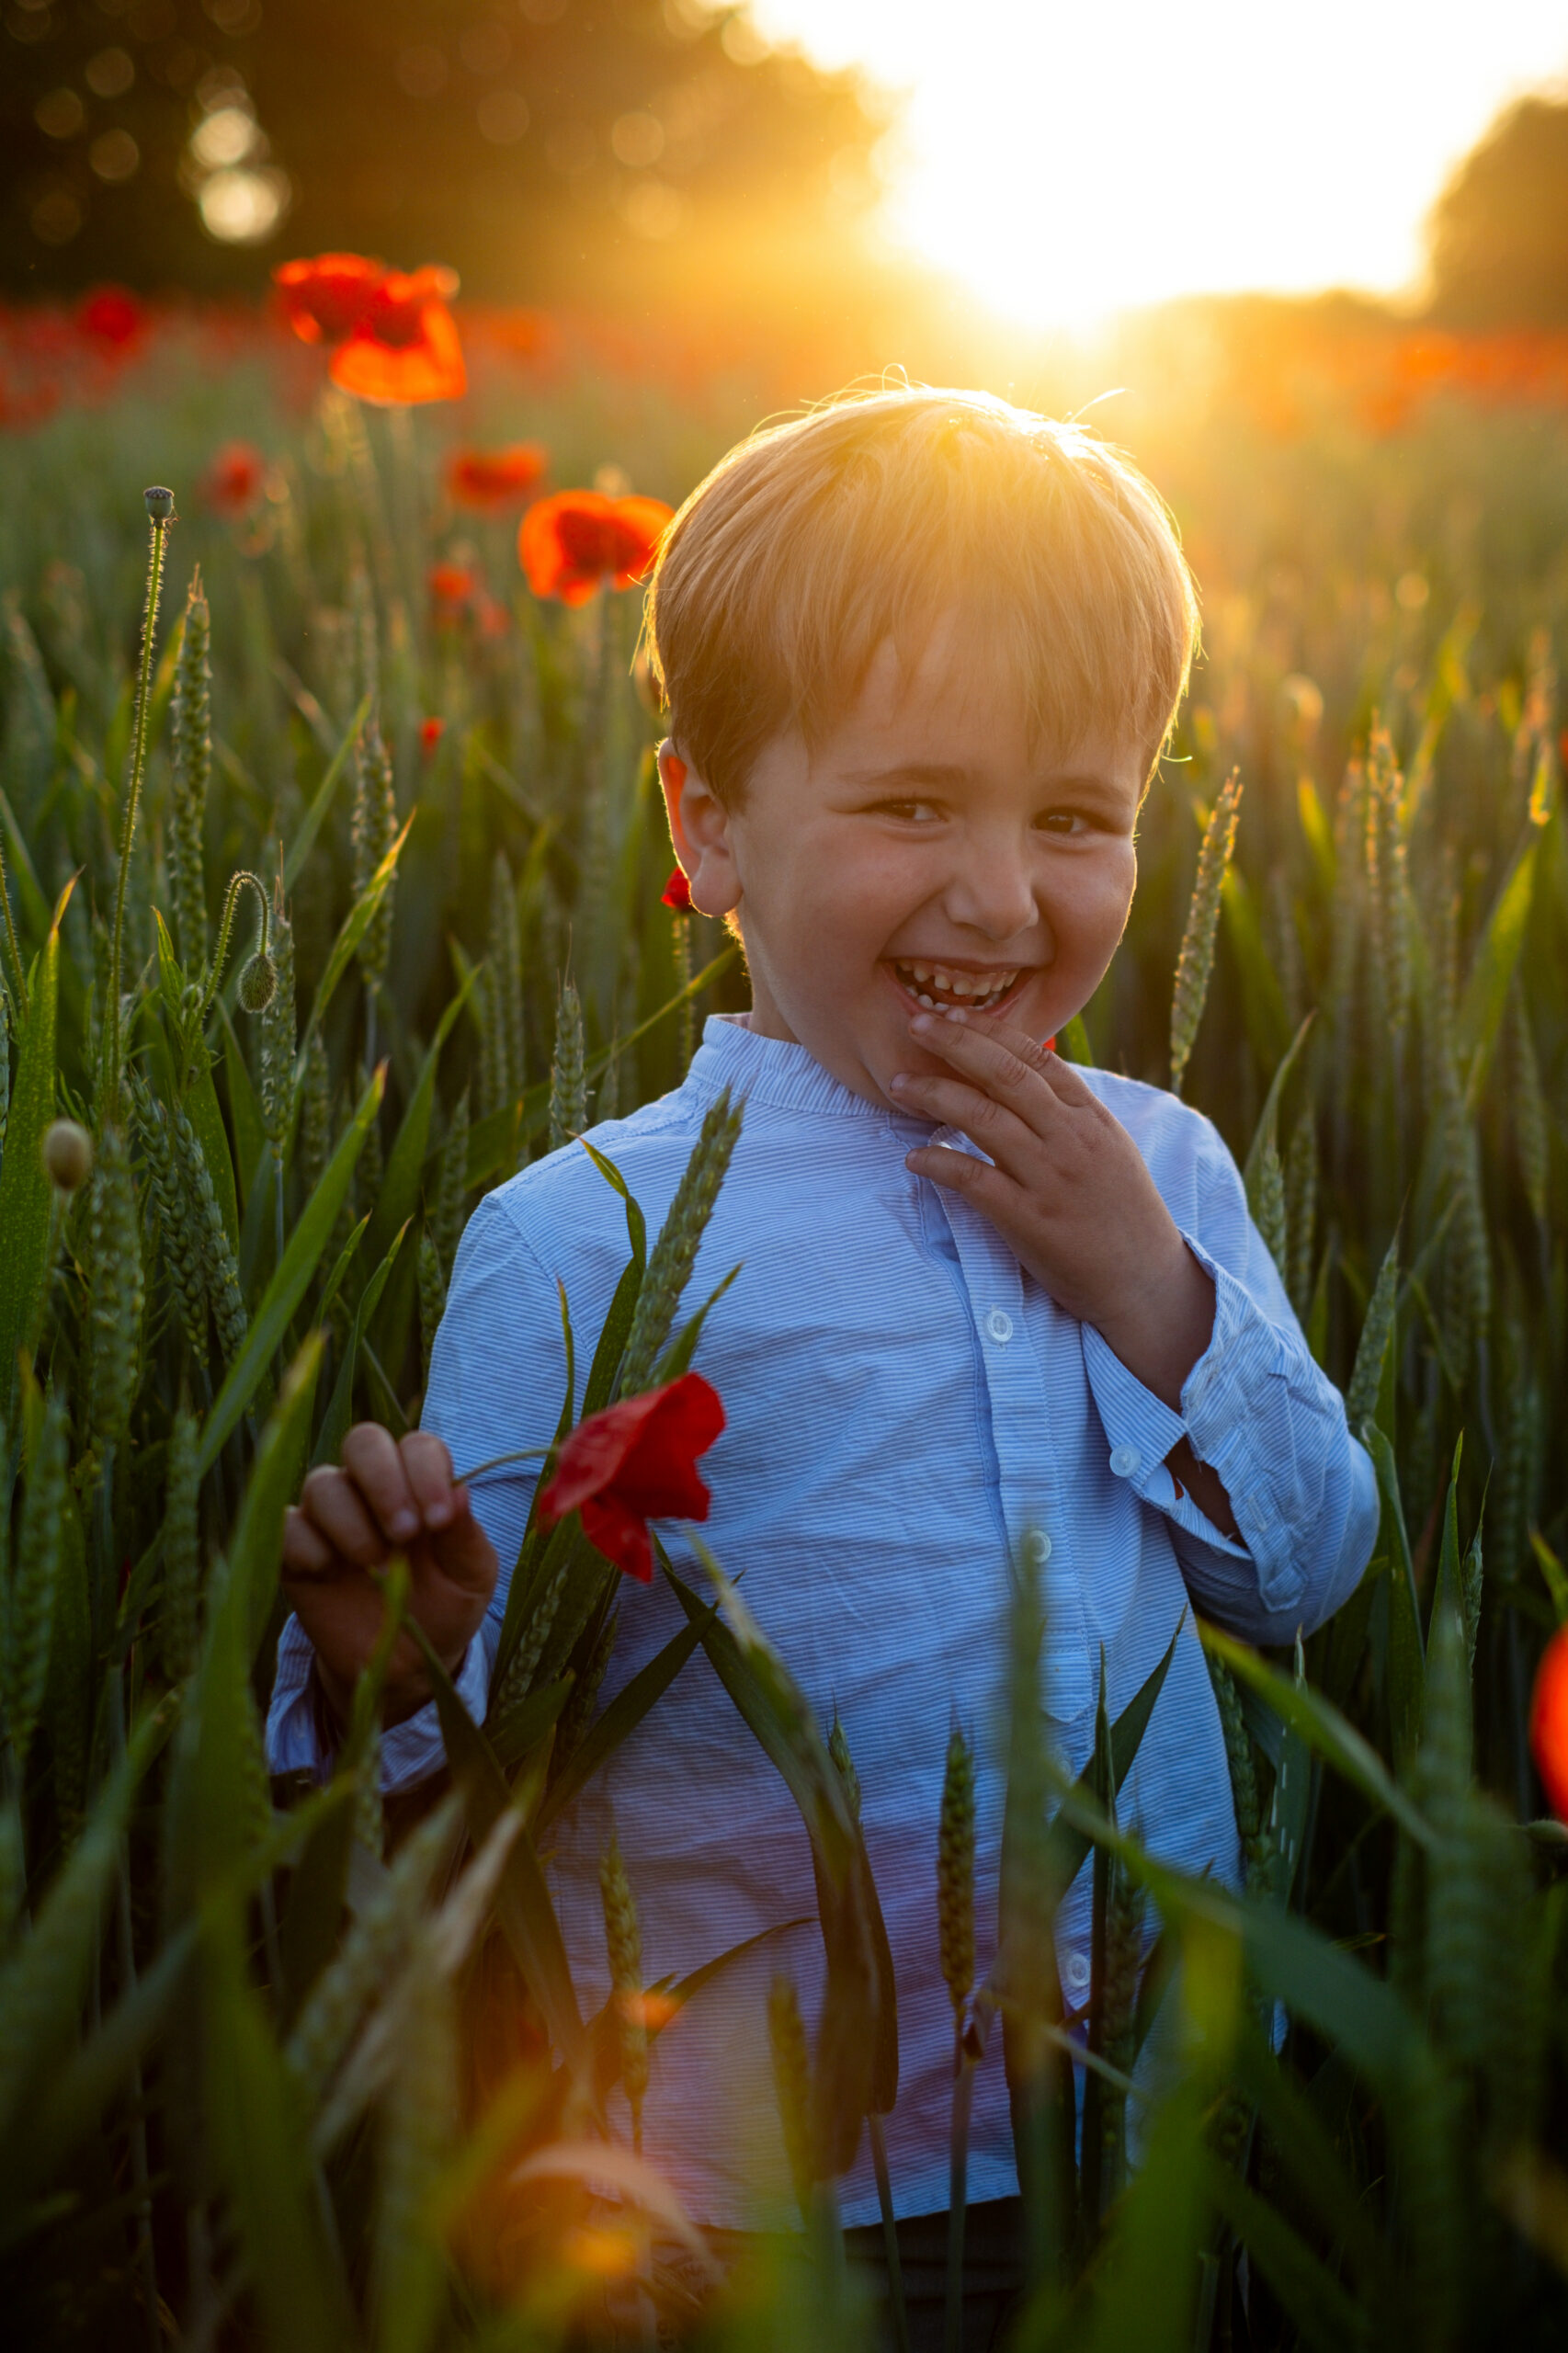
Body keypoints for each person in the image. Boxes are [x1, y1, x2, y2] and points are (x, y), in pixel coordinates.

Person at [267, 386, 1377, 2346]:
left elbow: (1298, 1568)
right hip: (745, 2174)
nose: (1001, 894)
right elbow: (467, 1764)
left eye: (1075, 816)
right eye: (909, 803)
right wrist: (389, 1661)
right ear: (704, 823)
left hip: (1149, 2112)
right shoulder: (577, 1236)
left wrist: (1147, 1284)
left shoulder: (1167, 1169)